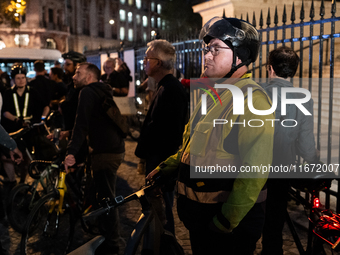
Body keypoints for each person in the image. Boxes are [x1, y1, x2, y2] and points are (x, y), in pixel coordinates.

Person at [147, 17, 275, 255]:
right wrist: (168, 167)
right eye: (206, 49)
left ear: (240, 55)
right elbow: (193, 146)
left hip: (227, 230)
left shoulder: (252, 100)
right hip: (201, 223)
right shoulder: (214, 95)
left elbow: (255, 171)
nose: (206, 56)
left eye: (215, 49)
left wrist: (227, 221)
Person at [261, 46, 319, 255]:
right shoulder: (302, 98)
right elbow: (305, 140)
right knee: (274, 220)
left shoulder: (258, 93)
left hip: (253, 163)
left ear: (270, 69)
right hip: (282, 165)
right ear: (293, 71)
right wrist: (313, 161)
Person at [64, 62, 125, 255]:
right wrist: (68, 133)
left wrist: (71, 153)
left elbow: (81, 125)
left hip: (105, 153)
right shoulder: (100, 90)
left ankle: (112, 244)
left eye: (78, 73)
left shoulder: (88, 92)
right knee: (101, 195)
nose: (74, 76)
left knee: (107, 199)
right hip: (113, 149)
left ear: (89, 77)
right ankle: (104, 233)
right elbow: (94, 121)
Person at [135, 39, 188, 235]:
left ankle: (167, 246)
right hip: (158, 161)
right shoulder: (165, 87)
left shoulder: (171, 89)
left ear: (158, 62)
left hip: (161, 164)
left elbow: (170, 134)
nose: (144, 62)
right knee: (158, 212)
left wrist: (162, 171)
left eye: (147, 58)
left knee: (162, 214)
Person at [1, 63, 49, 184]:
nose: (21, 80)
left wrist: (43, 119)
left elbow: (46, 106)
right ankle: (11, 182)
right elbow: (5, 112)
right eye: (18, 78)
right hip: (12, 128)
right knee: (7, 155)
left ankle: (22, 181)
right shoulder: (7, 93)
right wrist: (17, 120)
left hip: (29, 129)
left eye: (23, 77)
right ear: (13, 79)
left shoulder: (33, 92)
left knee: (26, 157)